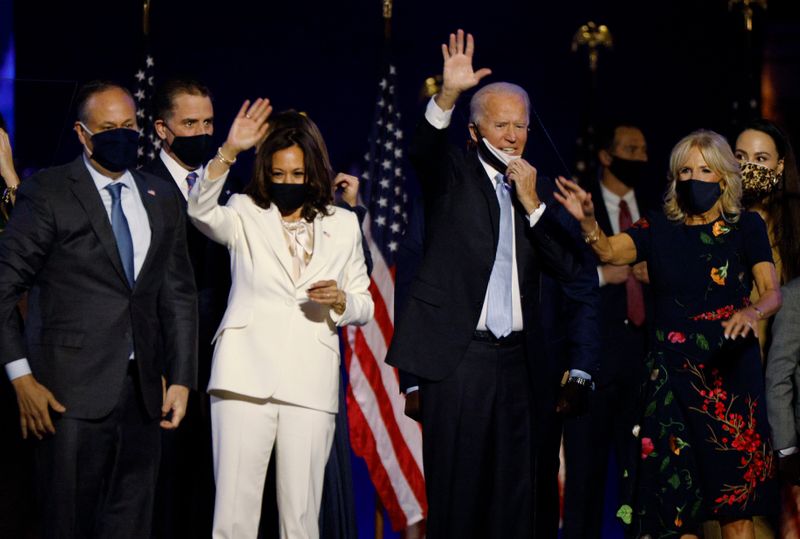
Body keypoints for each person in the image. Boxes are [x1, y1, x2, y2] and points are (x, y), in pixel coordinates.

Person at [385, 30, 596, 538]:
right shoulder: (451, 175)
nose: (513, 136)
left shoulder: (538, 191)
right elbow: (424, 150)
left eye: (520, 126)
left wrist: (535, 208)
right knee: (459, 499)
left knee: (520, 501)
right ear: (475, 132)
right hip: (460, 365)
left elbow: (576, 274)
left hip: (523, 367)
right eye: (501, 125)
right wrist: (449, 95)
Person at [555, 129, 781, 538]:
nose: (694, 178)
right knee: (674, 514)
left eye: (705, 169)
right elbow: (607, 251)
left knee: (736, 514)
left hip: (729, 383)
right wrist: (588, 220)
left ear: (725, 178)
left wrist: (751, 312)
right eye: (686, 170)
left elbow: (772, 293)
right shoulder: (656, 229)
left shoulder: (746, 227)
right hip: (669, 386)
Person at [0, 81, 197, 538]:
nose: (121, 135)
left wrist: (183, 378)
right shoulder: (48, 192)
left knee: (131, 523)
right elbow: (4, 288)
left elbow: (178, 295)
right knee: (67, 523)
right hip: (65, 394)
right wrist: (21, 377)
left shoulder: (159, 195)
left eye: (128, 125)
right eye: (108, 128)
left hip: (145, 396)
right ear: (82, 134)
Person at [187, 98, 373, 538]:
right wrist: (229, 150)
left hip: (310, 382)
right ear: (265, 173)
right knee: (233, 516)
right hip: (242, 378)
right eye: (278, 174)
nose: (288, 182)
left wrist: (341, 300)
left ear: (314, 172)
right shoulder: (244, 211)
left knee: (302, 518)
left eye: (297, 174)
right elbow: (199, 211)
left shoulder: (343, 224)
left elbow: (364, 303)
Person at [144, 77, 237, 539]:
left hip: (223, 362)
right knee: (167, 490)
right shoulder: (142, 186)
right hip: (164, 362)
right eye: (189, 123)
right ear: (163, 128)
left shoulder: (230, 186)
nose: (202, 131)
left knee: (215, 486)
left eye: (209, 122)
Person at [561, 121, 659, 538]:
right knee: (585, 477)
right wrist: (604, 275)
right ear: (606, 155)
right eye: (630, 149)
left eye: (643, 150)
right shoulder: (579, 210)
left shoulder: (657, 210)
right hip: (594, 363)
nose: (640, 158)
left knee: (639, 478)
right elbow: (560, 277)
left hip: (644, 365)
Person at [736, 119, 800, 536]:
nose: (748, 169)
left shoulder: (794, 230)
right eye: (739, 158)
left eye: (760, 159)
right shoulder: (712, 225)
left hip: (782, 394)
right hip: (731, 383)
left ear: (779, 167)